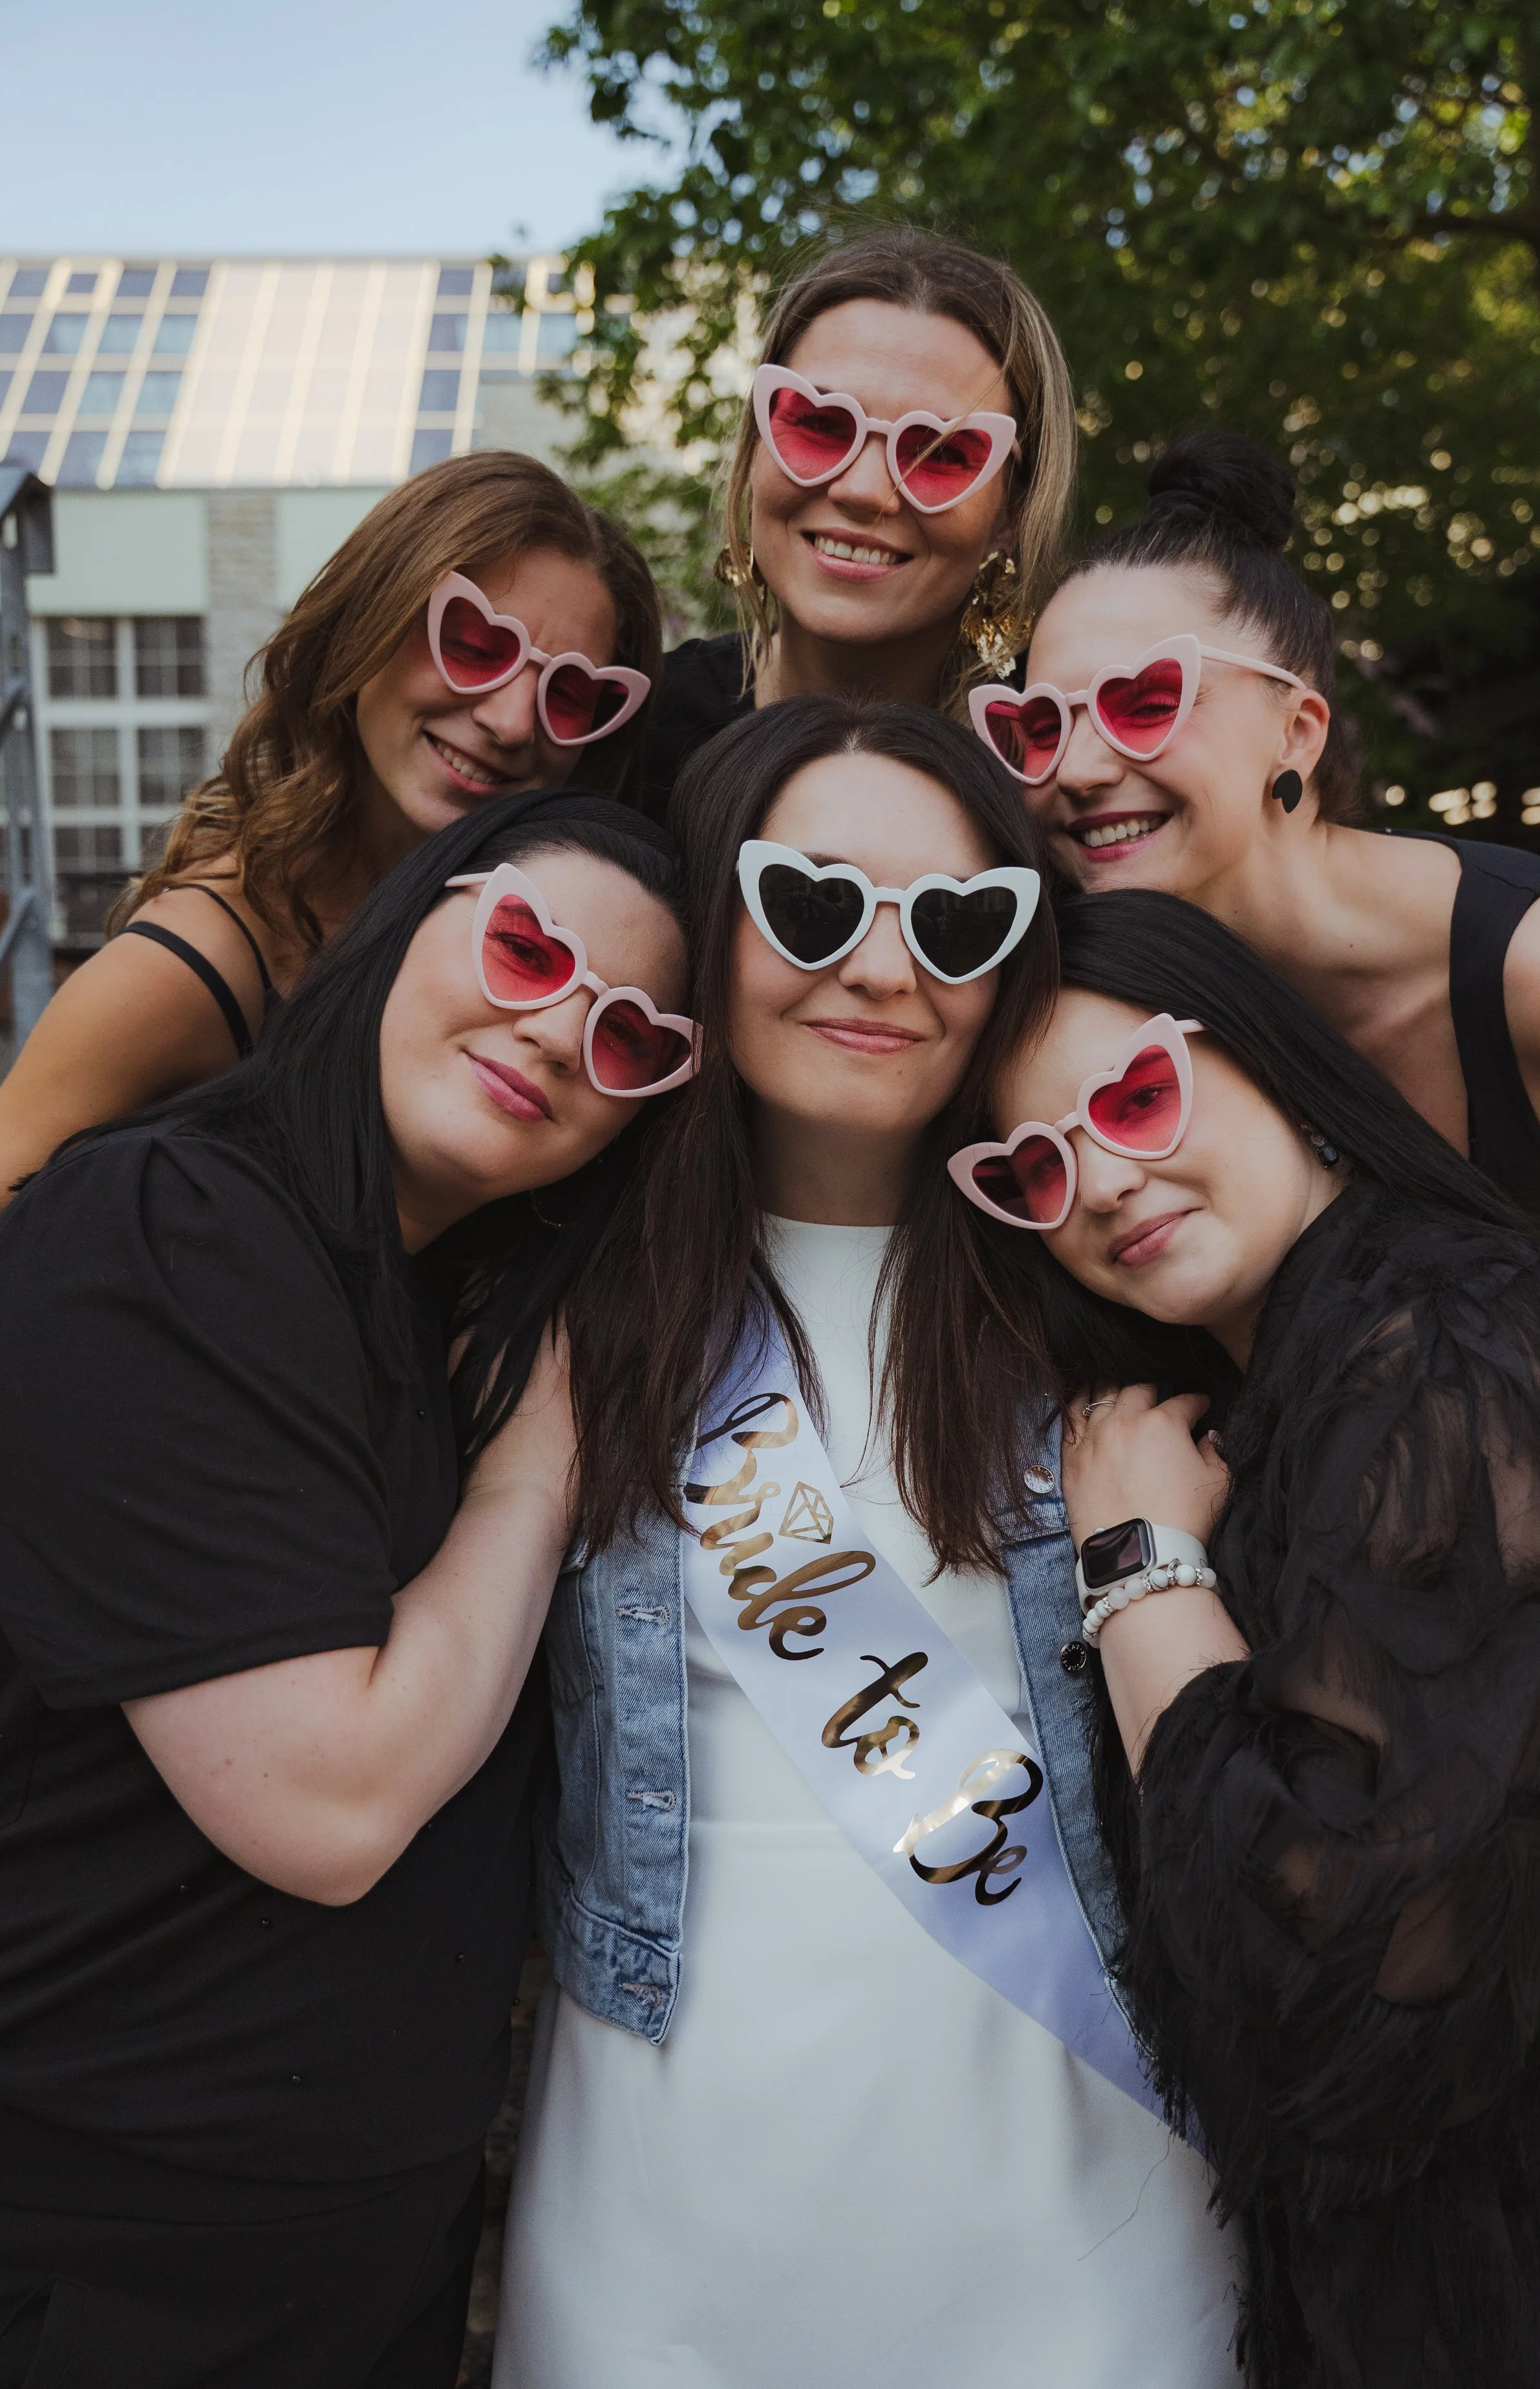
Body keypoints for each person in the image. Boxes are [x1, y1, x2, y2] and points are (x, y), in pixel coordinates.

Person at [494, 698, 1241, 2389]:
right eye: (812, 903)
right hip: (666, 2194)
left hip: (1082, 2183)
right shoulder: (559, 1302)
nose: (885, 971)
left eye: (957, 921)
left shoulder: (1108, 1281)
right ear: (712, 910)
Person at [0, 789, 695, 2389]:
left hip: (354, 2248)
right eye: (526, 946)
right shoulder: (167, 1226)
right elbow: (327, 1799)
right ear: (406, 924)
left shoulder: (421, 1290)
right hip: (110, 2254)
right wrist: (543, 1458)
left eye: (631, 1040)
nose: (555, 1030)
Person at [947, 884, 1540, 2388]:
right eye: (1033, 1169)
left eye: (1136, 1093)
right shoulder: (1311, 1376)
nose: (1102, 1180)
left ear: (1275, 1064)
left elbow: (1343, 1976)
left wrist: (1136, 1568)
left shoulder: (1447, 1352)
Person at [968, 427, 1540, 1272]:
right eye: (1042, 728)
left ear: (1297, 730)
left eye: (1146, 702)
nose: (1080, 772)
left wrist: (1530, 1321)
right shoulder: (1089, 1011)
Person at [0, 450, 662, 1203]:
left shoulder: (527, 957)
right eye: (474, 643)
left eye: (572, 695)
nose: (512, 721)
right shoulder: (185, 969)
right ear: (366, 622)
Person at [630, 224, 1076, 822]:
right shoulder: (623, 733)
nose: (865, 492)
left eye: (941, 453)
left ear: (1012, 513)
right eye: (818, 425)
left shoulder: (1064, 768)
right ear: (756, 448)